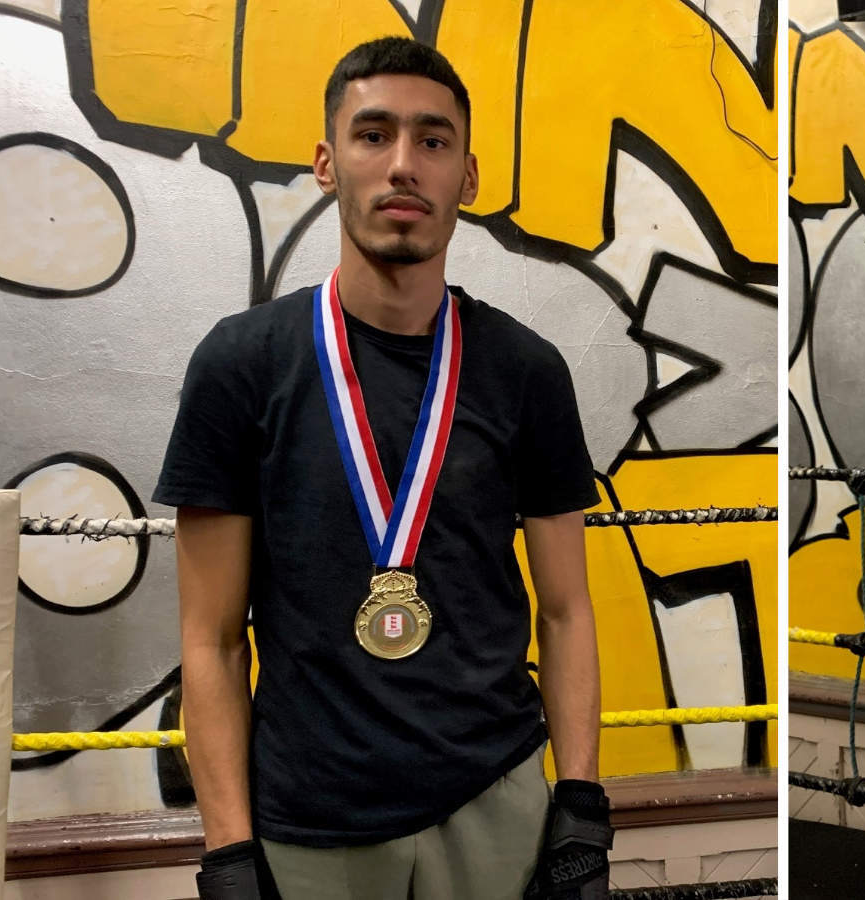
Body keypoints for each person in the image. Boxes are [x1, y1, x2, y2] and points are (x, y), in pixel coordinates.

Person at [156, 37, 612, 900]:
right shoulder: (241, 364)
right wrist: (227, 853)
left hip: (498, 802)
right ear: (327, 163)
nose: (403, 164)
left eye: (433, 141)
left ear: (468, 176)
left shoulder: (527, 371)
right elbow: (210, 642)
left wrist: (581, 806)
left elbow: (565, 607)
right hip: (307, 823)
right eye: (373, 135)